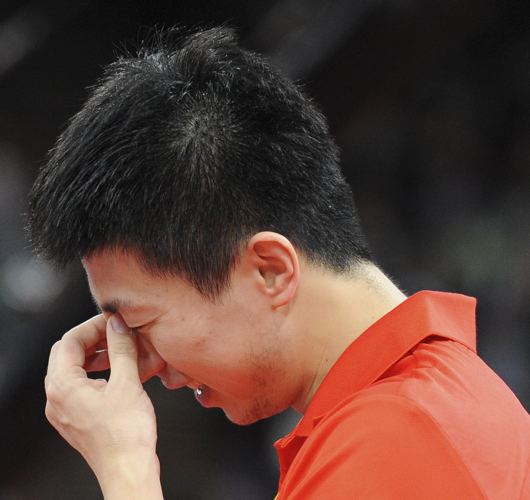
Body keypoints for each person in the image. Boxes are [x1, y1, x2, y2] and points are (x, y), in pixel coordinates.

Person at [26, 27, 530, 499]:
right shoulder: (415, 407)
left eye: (137, 323)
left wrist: (126, 468)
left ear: (270, 270)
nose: (145, 366)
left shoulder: (398, 439)